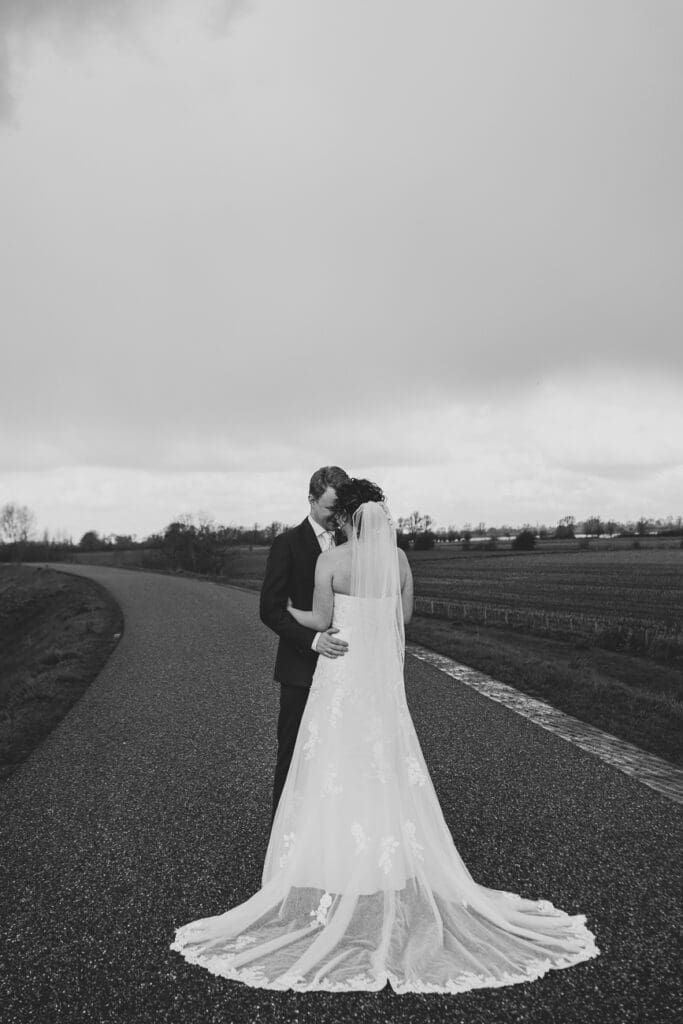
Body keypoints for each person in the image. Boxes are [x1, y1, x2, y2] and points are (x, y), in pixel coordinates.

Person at [171, 479, 600, 993]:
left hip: (340, 677)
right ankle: (385, 865)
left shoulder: (331, 563)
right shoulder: (398, 561)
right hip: (378, 682)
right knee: (384, 768)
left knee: (334, 765)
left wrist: (288, 613)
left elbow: (323, 621)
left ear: (348, 517)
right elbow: (404, 619)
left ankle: (332, 864)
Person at [259, 466, 350, 821]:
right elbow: (270, 610)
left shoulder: (350, 542)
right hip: (300, 669)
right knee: (294, 755)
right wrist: (313, 641)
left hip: (344, 668)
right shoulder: (287, 545)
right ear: (311, 500)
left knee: (339, 755)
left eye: (341, 510)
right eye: (330, 509)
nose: (336, 517)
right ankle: (282, 842)